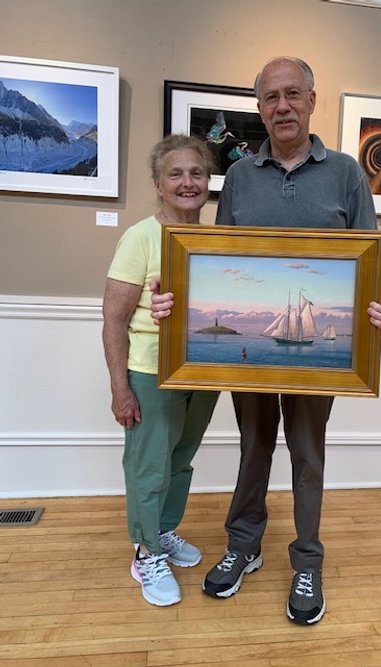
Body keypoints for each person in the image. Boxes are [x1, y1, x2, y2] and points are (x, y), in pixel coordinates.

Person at [151, 57, 381, 625]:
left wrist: (378, 307)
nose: (281, 106)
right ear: (259, 108)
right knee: (253, 447)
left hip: (322, 368)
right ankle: (244, 545)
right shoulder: (238, 177)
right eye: (270, 98)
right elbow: (217, 261)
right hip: (253, 362)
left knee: (308, 457)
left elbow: (368, 264)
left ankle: (308, 560)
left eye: (292, 95)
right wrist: (175, 301)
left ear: (313, 100)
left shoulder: (346, 174)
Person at [102, 134, 219, 607]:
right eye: (176, 174)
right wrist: (119, 389)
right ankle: (145, 551)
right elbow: (113, 317)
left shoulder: (214, 240)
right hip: (151, 374)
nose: (187, 182)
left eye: (196, 173)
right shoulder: (141, 237)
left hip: (202, 373)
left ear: (209, 182)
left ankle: (164, 530)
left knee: (180, 461)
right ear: (158, 184)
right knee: (149, 468)